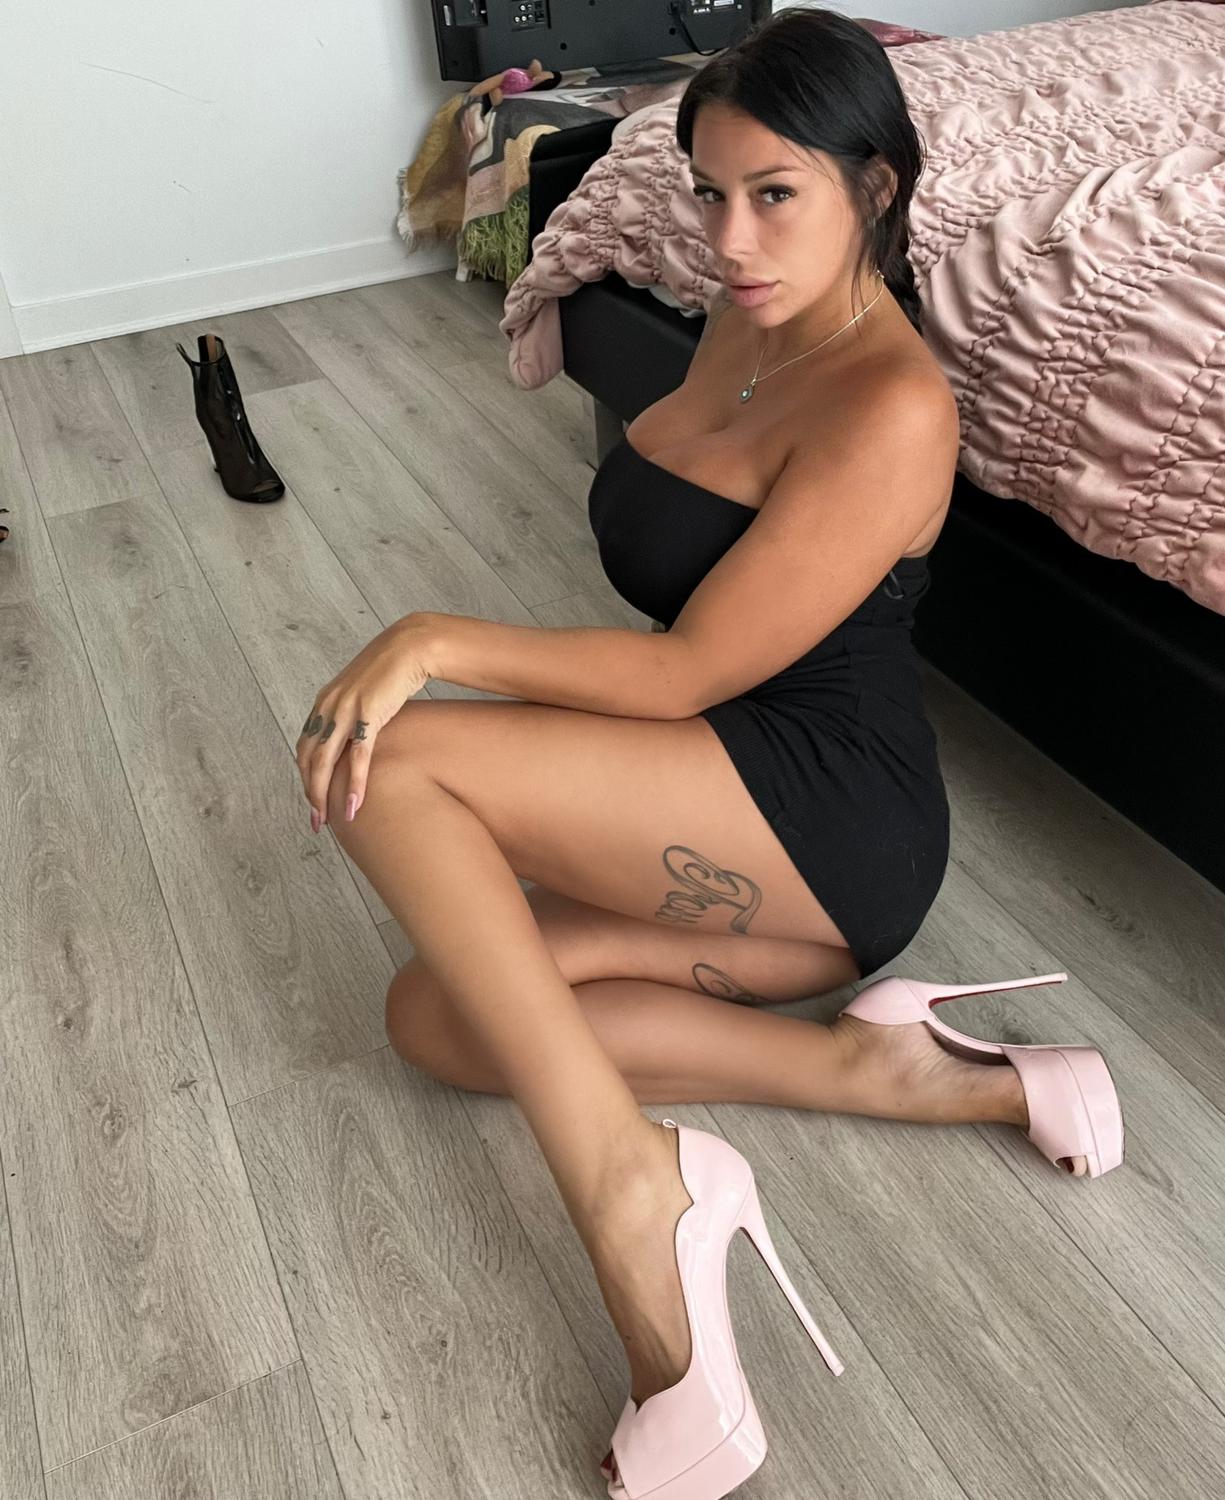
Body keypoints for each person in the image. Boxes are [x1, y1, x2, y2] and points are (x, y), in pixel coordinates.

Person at [297, 10, 1123, 1497]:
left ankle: (634, 1197)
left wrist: (436, 635)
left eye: (775, 194)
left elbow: (686, 670)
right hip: (715, 783)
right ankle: (888, 1071)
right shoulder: (756, 311)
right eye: (709, 192)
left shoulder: (890, 404)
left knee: (399, 760)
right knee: (436, 1018)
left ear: (872, 188)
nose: (730, 239)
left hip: (825, 818)